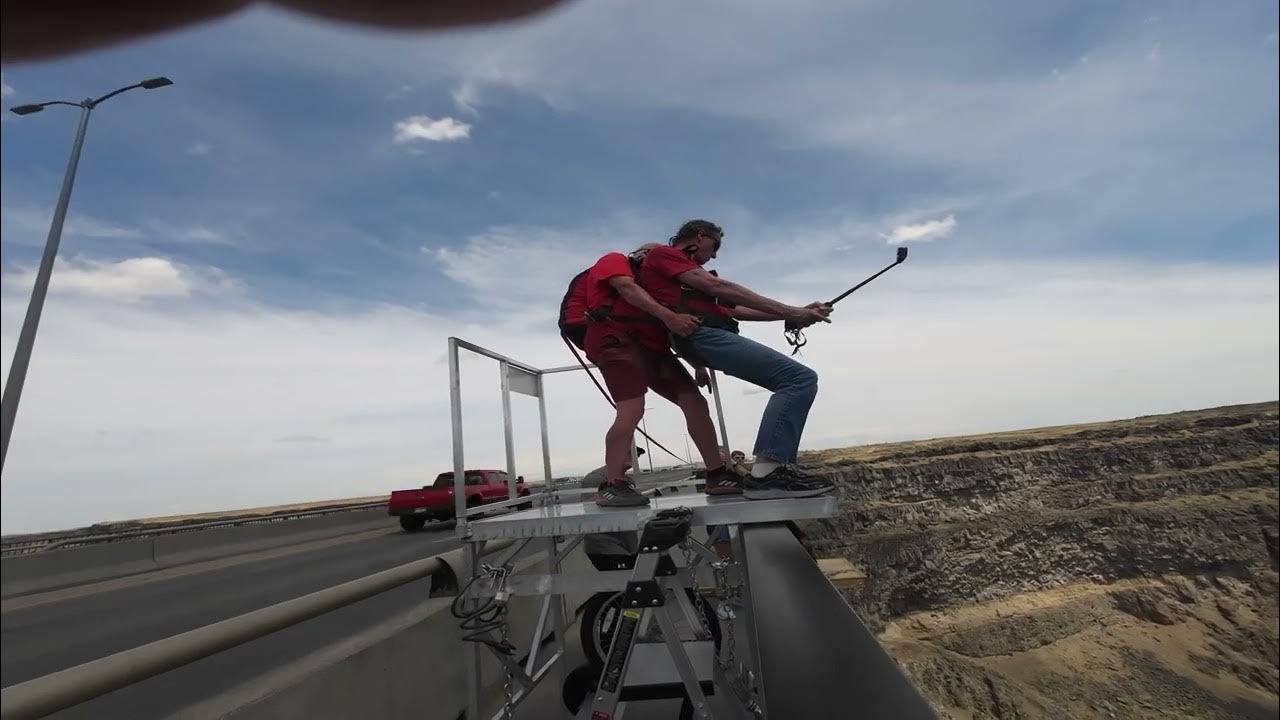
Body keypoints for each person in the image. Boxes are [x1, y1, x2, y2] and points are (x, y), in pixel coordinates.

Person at [637, 219, 835, 500]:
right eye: (715, 246)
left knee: (797, 379)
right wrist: (791, 311)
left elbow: (738, 309)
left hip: (704, 336)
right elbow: (718, 287)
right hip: (701, 335)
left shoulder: (687, 278)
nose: (715, 255)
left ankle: (772, 470)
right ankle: (768, 474)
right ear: (700, 236)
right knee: (798, 379)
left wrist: (797, 313)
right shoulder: (665, 255)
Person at [581, 244, 742, 508]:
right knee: (631, 409)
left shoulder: (659, 287)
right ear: (644, 256)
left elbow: (726, 313)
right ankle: (613, 485)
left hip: (653, 349)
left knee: (694, 402)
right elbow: (626, 288)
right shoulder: (615, 260)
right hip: (614, 339)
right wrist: (668, 315)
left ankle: (716, 474)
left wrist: (697, 365)